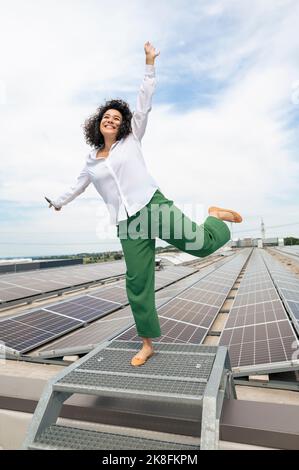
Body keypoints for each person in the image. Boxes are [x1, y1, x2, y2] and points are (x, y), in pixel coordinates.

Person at [48, 41, 242, 367]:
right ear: (97, 124)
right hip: (128, 224)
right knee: (138, 283)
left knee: (201, 245)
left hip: (152, 205)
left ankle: (214, 217)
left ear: (121, 123)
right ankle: (147, 343)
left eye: (115, 117)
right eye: (105, 117)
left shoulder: (131, 137)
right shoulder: (91, 161)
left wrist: (149, 65)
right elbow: (76, 186)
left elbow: (143, 104)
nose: (110, 119)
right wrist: (57, 202)